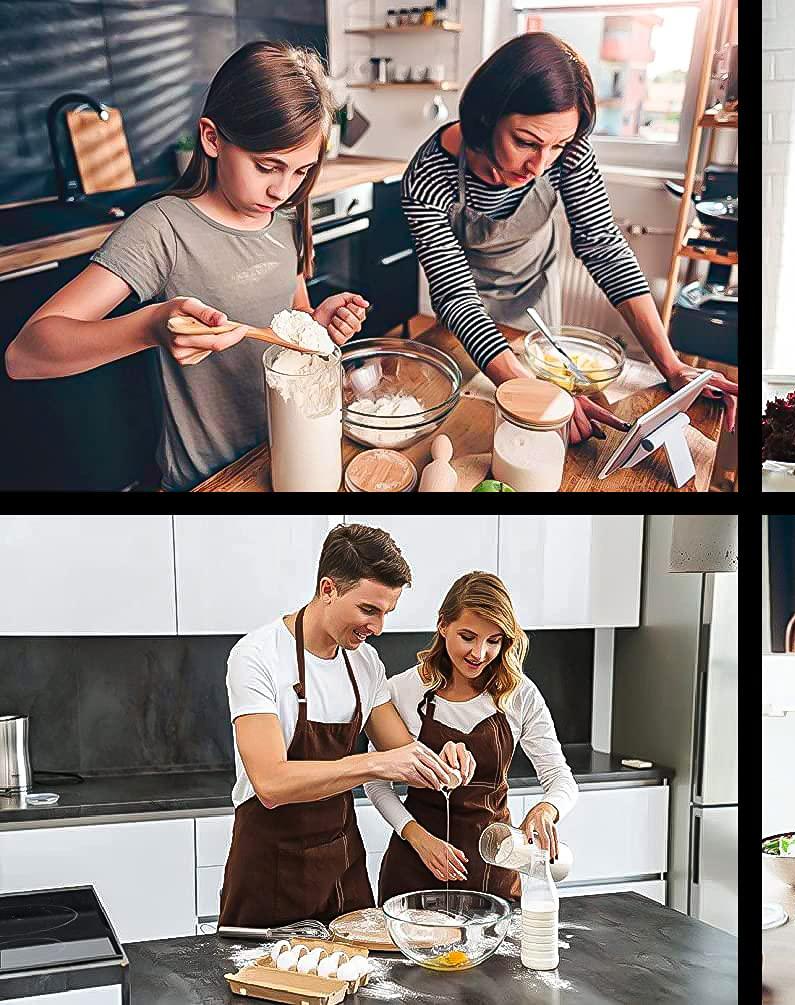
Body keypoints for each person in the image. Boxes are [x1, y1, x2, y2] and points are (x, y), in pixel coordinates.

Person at [6, 42, 369, 490]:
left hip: (283, 453)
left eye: (300, 172)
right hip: (209, 478)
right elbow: (24, 355)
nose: (283, 190)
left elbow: (286, 322)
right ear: (212, 138)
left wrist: (314, 325)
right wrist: (150, 327)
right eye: (266, 167)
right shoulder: (162, 229)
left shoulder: (287, 218)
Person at [400, 32, 738, 445]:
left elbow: (604, 248)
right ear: (486, 117)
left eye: (556, 146)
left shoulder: (569, 150)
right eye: (525, 142)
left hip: (537, 297)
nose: (539, 165)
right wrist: (533, 393)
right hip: (467, 312)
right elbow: (455, 296)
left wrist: (672, 366)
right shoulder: (427, 177)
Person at [220, 524, 469, 928]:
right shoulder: (257, 656)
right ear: (328, 589)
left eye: (386, 613)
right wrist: (372, 765)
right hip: (270, 869)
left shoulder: (365, 663)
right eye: (368, 610)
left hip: (342, 868)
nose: (377, 628)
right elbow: (270, 784)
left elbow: (403, 753)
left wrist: (445, 761)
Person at [368, 571, 579, 902]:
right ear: (443, 625)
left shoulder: (518, 694)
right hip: (415, 868)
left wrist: (547, 808)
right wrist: (418, 838)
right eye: (468, 637)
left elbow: (561, 779)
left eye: (493, 641)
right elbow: (376, 782)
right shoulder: (402, 691)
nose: (479, 653)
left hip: (494, 869)